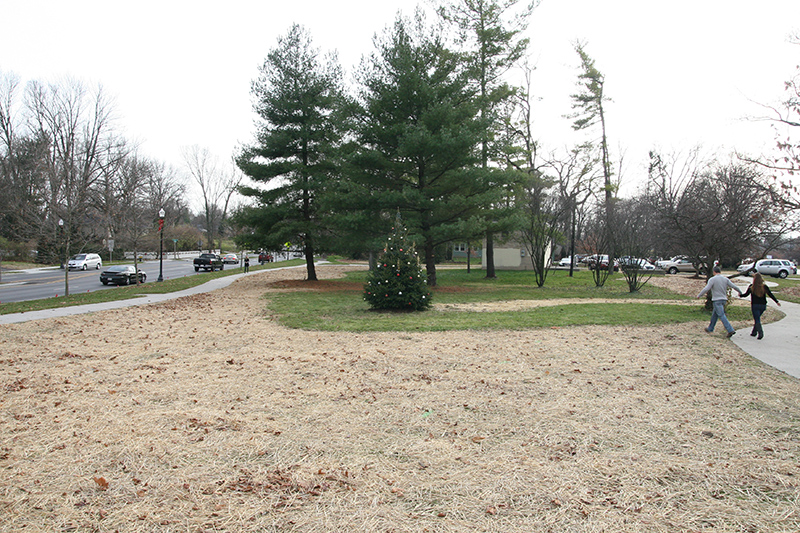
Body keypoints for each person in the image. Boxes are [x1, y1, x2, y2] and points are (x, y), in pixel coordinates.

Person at [697, 265, 743, 338]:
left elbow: (707, 288)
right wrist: (740, 292)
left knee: (721, 315)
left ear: (714, 272)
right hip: (723, 299)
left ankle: (730, 329)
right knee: (715, 314)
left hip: (716, 299)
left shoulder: (712, 279)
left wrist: (700, 295)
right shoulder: (725, 279)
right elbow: (734, 286)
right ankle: (710, 328)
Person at [740, 272, 781, 339]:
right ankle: (754, 332)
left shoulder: (752, 287)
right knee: (757, 318)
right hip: (763, 305)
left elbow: (745, 294)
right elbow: (770, 294)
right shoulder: (764, 287)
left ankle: (760, 332)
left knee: (757, 319)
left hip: (755, 305)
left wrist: (740, 295)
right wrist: (776, 301)